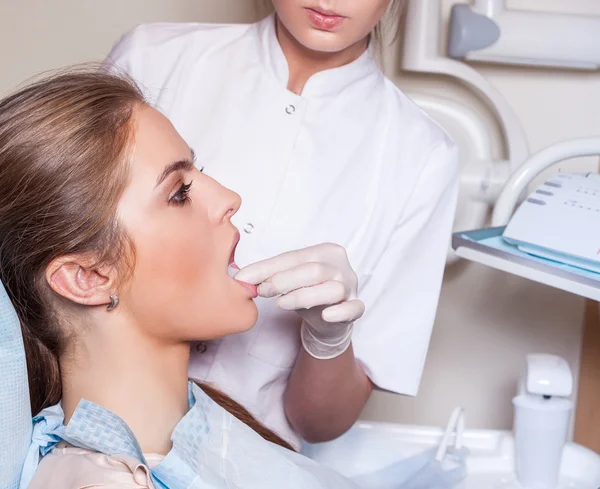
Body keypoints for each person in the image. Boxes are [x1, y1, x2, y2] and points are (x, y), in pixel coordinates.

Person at [105, 0, 461, 449]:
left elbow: (320, 424)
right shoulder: (151, 59)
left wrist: (327, 340)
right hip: (92, 427)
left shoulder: (423, 156)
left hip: (253, 466)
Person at [1, 70, 363, 488]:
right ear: (87, 277)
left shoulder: (203, 434)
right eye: (179, 193)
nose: (230, 199)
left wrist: (329, 342)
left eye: (199, 171)